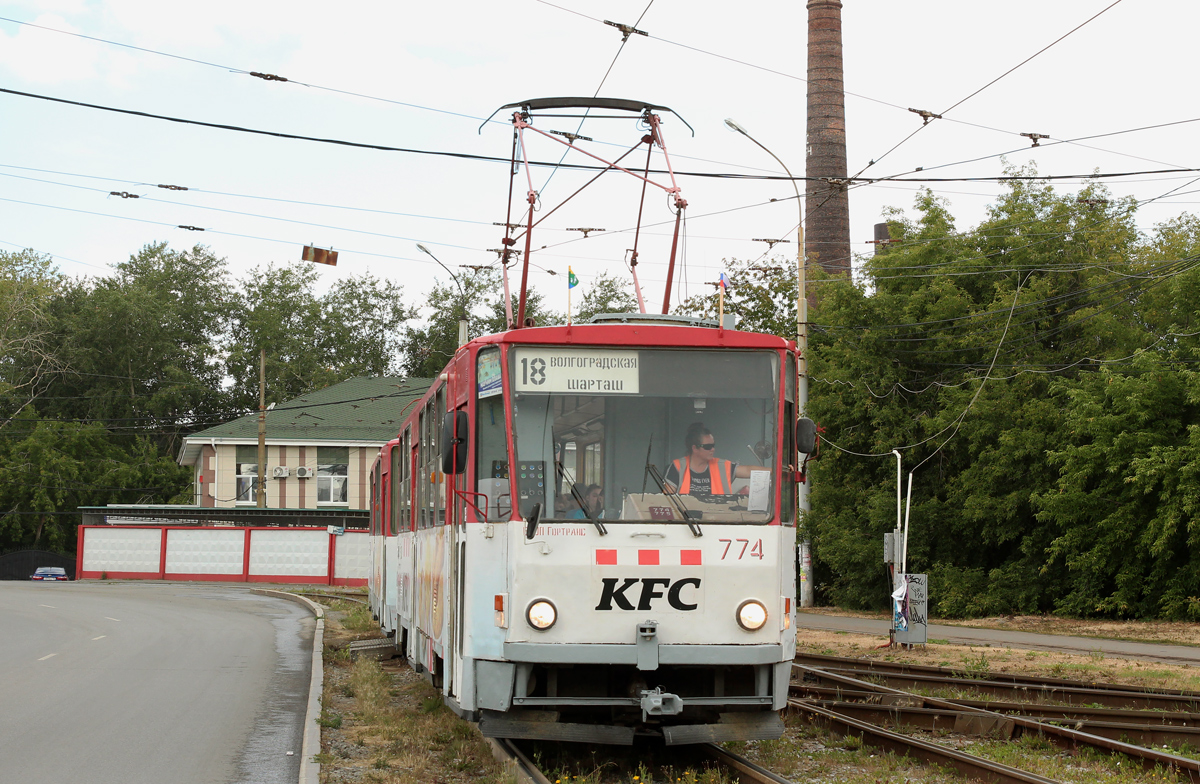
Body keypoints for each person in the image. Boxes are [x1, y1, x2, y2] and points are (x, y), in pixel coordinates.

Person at [664, 422, 766, 496]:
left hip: (719, 521)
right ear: (694, 448)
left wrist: (776, 472)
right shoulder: (678, 467)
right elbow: (667, 500)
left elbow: (748, 470)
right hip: (687, 521)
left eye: (713, 445)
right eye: (708, 447)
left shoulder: (722, 465)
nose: (712, 449)